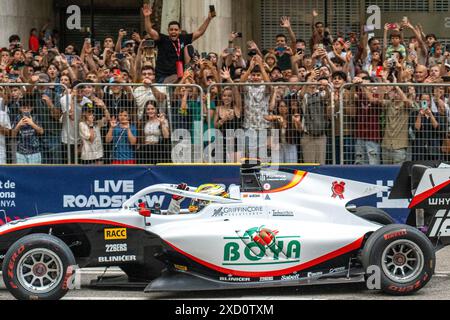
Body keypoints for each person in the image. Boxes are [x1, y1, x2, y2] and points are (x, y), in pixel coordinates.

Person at [142, 3, 216, 83]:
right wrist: (147, 16)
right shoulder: (162, 39)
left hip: (178, 77)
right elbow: (149, 30)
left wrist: (209, 19)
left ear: (179, 31)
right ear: (168, 31)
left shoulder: (183, 39)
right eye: (171, 30)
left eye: (176, 30)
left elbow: (200, 32)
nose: (173, 32)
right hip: (163, 77)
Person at [11, 95, 44, 164]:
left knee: (35, 173)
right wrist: (18, 125)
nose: (26, 110)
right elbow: (12, 135)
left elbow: (41, 131)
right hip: (21, 152)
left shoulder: (35, 117)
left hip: (35, 152)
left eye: (28, 108)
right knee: (21, 173)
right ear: (20, 108)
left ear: (32, 108)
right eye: (24, 108)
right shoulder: (17, 118)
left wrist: (32, 124)